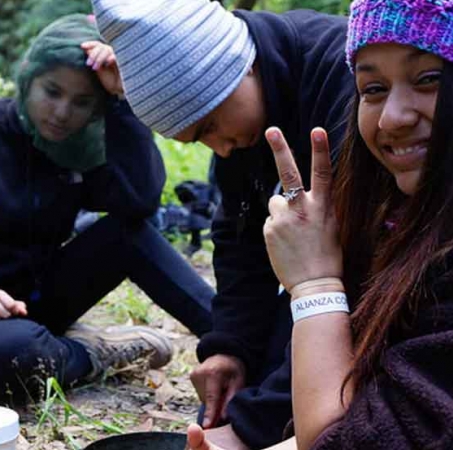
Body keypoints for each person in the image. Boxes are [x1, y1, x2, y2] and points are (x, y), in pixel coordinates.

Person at [185, 0, 453, 448]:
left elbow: (345, 441)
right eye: (372, 89)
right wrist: (228, 344)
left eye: (428, 79)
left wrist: (315, 285)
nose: (393, 117)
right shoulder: (407, 218)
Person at [0, 14, 216, 399]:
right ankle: (92, 351)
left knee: (128, 235)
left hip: (37, 302)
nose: (63, 112)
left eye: (82, 102)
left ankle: (240, 340)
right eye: (52, 92)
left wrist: (122, 101)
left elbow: (138, 203)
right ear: (28, 78)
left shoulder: (77, 148)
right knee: (23, 357)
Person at [89, 0, 352, 447]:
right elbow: (240, 236)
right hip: (324, 295)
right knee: (232, 399)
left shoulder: (344, 83)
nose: (222, 149)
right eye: (201, 140)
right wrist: (230, 347)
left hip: (398, 301)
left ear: (239, 67)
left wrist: (252, 427)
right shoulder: (246, 122)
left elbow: (360, 274)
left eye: (211, 126)